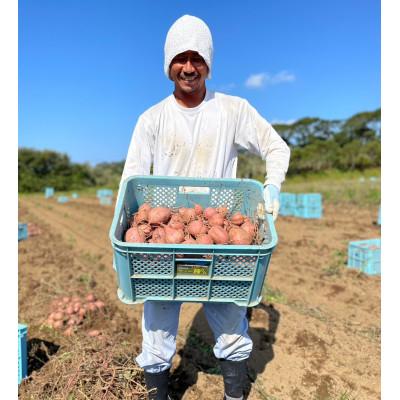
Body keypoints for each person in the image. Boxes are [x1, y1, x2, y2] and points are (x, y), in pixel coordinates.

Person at [118, 14, 290, 400]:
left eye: (198, 58)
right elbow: (131, 180)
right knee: (158, 328)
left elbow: (277, 146)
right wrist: (126, 234)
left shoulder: (232, 110)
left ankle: (233, 393)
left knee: (231, 323)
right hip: (165, 243)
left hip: (223, 240)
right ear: (169, 64)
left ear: (209, 63)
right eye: (181, 58)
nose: (189, 67)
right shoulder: (152, 119)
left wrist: (272, 186)